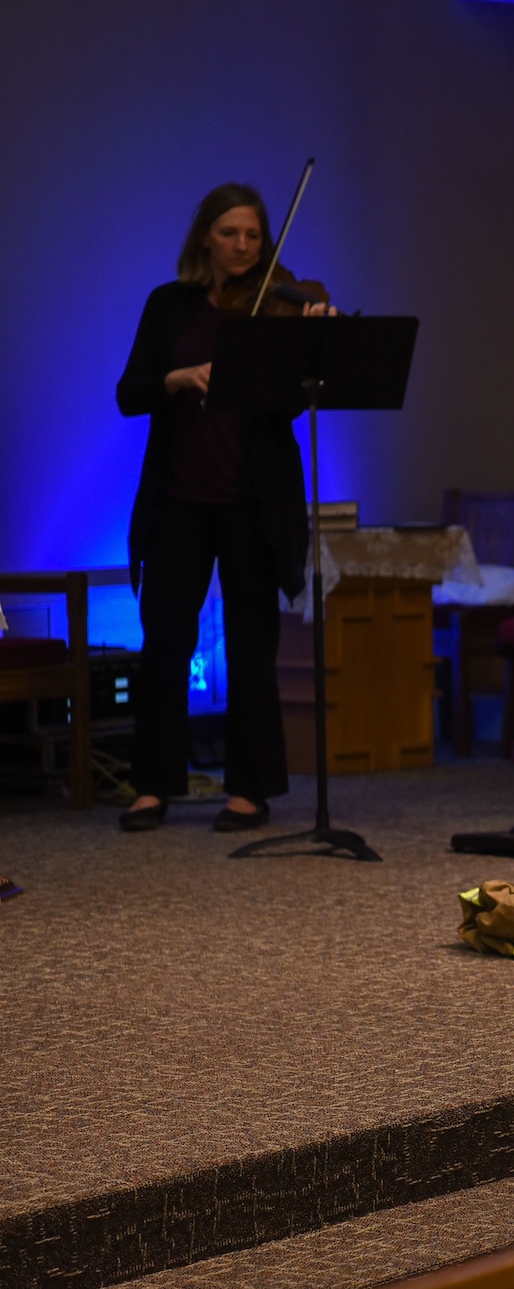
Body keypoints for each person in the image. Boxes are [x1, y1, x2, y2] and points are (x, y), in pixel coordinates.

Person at [113, 183, 334, 834]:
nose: (243, 246)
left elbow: (293, 406)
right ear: (205, 235)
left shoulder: (279, 305)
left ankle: (248, 789)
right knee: (165, 643)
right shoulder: (168, 305)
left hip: (250, 499)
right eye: (230, 233)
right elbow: (130, 393)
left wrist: (313, 347)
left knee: (250, 647)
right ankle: (152, 784)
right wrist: (177, 379)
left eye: (253, 236)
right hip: (178, 497)